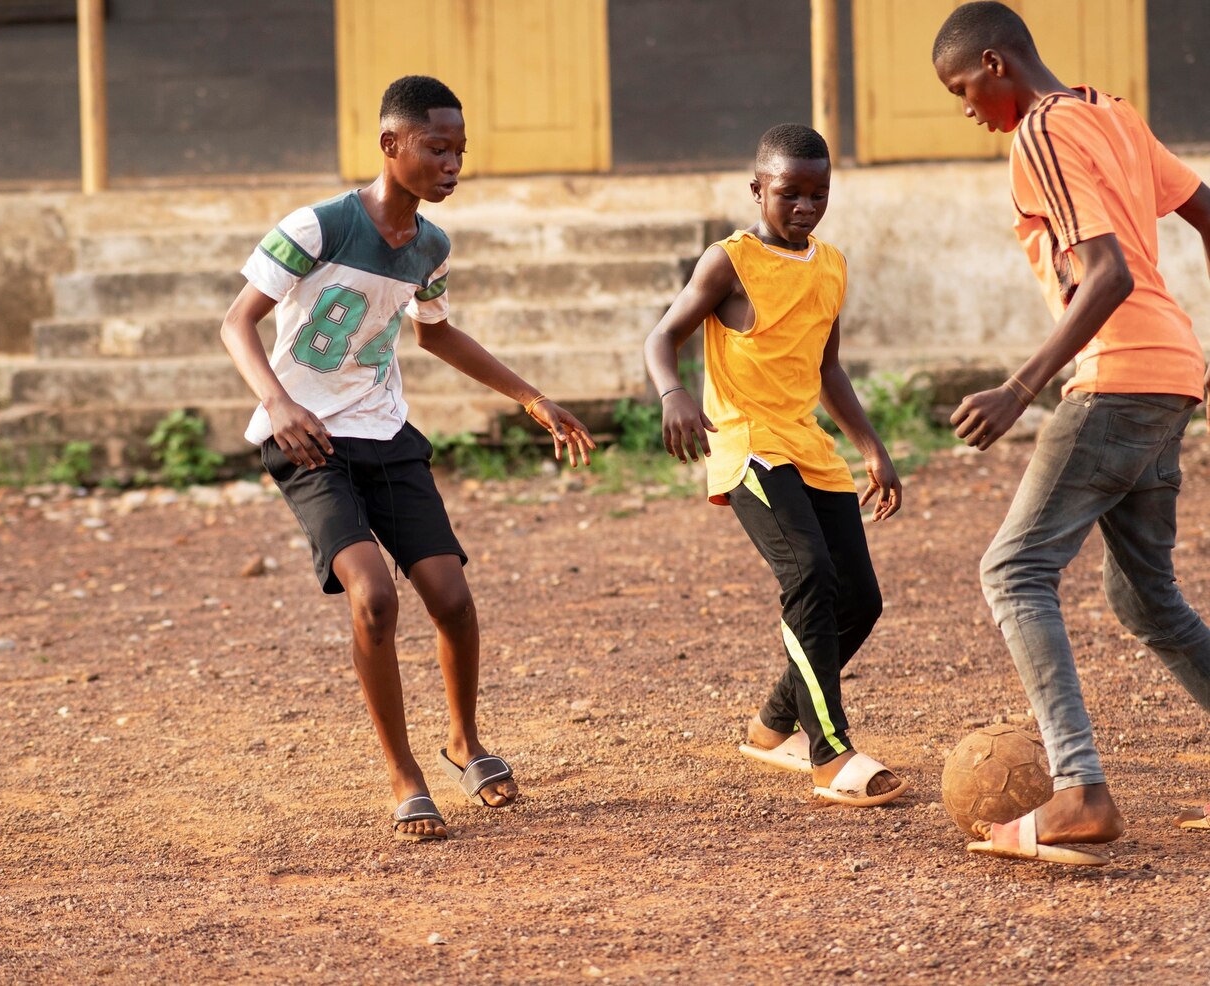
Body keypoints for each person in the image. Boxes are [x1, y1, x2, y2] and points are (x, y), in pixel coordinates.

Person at [221, 75, 596, 842]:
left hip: (386, 434)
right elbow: (236, 323)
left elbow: (436, 332)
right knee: (374, 598)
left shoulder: (430, 246)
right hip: (308, 439)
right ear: (391, 144)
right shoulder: (317, 227)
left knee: (451, 597)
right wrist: (279, 404)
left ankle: (464, 742)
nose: (452, 164)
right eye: (437, 148)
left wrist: (530, 397)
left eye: (460, 152)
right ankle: (404, 774)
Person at [933, 1, 1210, 865]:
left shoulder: (1041, 133)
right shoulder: (1112, 112)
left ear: (995, 63)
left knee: (1013, 570)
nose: (966, 109)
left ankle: (1080, 791)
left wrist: (1020, 388)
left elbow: (1108, 274)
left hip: (1119, 377)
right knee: (1144, 598)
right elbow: (1208, 211)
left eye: (962, 89)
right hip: (1170, 376)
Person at [644, 123, 907, 809]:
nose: (805, 207)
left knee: (861, 600)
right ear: (757, 189)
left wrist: (872, 448)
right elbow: (662, 336)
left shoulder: (831, 265)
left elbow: (828, 369)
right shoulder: (729, 262)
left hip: (808, 445)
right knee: (809, 575)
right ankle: (829, 751)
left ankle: (771, 726)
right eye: (790, 193)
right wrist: (673, 393)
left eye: (819, 194)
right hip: (747, 442)